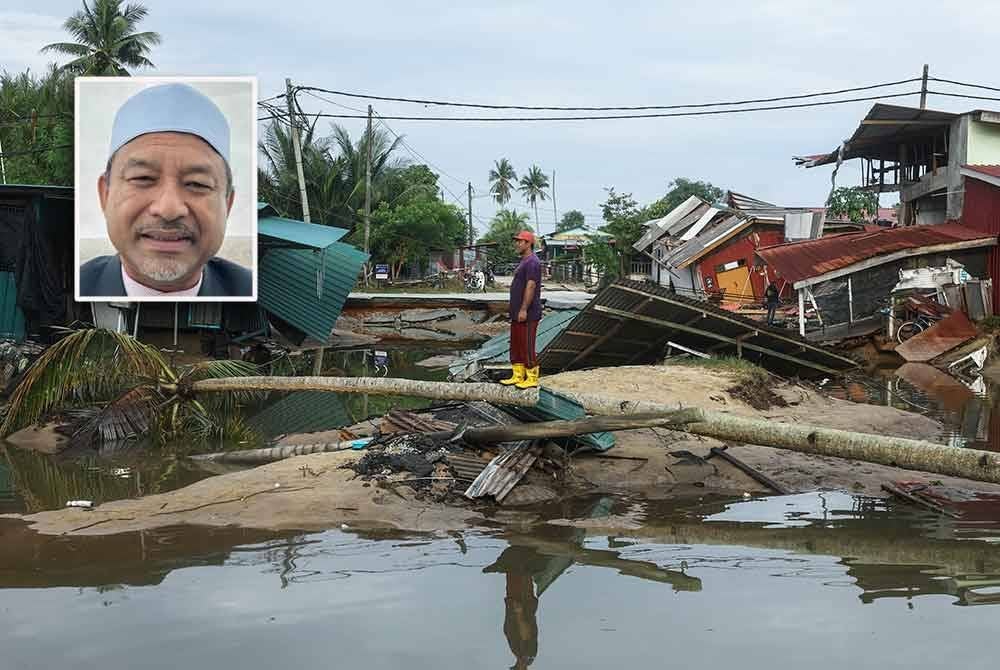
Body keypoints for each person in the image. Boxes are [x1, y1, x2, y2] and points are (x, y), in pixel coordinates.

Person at [79, 83, 252, 298]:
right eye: (143, 178)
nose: (168, 209)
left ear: (228, 203)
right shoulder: (64, 294)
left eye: (197, 183)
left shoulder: (260, 297)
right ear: (105, 194)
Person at [500, 231, 542, 389]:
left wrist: (524, 309)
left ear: (528, 243)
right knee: (516, 344)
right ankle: (518, 374)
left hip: (528, 313)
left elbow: (531, 286)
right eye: (516, 241)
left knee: (527, 345)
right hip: (517, 312)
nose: (517, 244)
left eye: (520, 241)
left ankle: (531, 377)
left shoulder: (533, 262)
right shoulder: (524, 261)